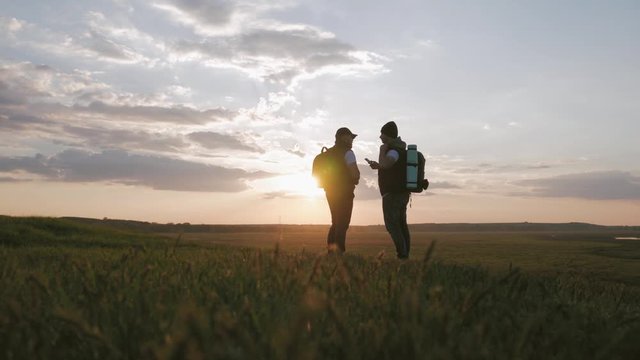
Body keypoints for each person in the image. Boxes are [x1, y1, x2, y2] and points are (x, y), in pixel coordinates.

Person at [366, 121, 411, 259]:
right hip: (402, 192)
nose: (380, 137)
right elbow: (387, 166)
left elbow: (386, 164)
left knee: (392, 226)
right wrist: (378, 165)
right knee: (401, 224)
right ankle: (404, 255)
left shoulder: (393, 150)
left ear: (387, 135)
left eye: (382, 134)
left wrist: (381, 151)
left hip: (393, 194)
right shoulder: (399, 150)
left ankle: (402, 255)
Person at [323, 127, 360, 253]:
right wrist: (356, 178)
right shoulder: (348, 152)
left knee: (335, 221)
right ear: (344, 137)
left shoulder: (329, 153)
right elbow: (355, 174)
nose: (352, 140)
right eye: (351, 137)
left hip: (330, 191)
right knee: (342, 223)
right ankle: (339, 252)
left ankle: (331, 252)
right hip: (344, 192)